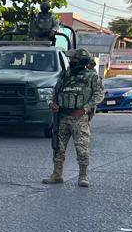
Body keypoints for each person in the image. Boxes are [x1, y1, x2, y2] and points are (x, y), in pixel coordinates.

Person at [44, 48, 104, 188]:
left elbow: (99, 95)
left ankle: (83, 176)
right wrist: (51, 103)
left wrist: (84, 109)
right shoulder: (65, 75)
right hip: (62, 116)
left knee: (81, 148)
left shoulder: (91, 76)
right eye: (70, 59)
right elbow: (54, 92)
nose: (71, 61)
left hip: (79, 118)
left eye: (73, 59)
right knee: (58, 147)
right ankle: (57, 174)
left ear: (81, 61)